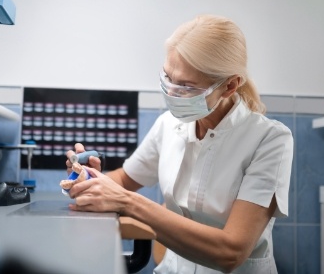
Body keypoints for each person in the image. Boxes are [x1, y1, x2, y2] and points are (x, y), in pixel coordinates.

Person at [65, 15, 293, 273]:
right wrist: (89, 177)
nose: (172, 93)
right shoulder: (167, 125)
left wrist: (128, 202)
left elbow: (231, 252)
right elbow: (124, 180)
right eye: (168, 78)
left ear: (229, 85)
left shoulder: (270, 140)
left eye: (186, 86)